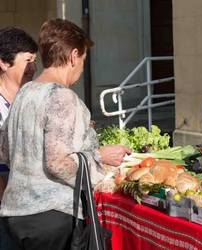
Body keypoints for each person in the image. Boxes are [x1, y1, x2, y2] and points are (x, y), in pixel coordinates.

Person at [0, 18, 131, 250]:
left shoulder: (25, 92)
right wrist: (100, 157)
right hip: (50, 217)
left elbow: (5, 151)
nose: (81, 67)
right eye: (83, 60)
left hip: (15, 215)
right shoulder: (62, 96)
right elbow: (57, 163)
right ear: (73, 56)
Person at [0, 26, 38, 201]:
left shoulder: (35, 97)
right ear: (4, 63)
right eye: (28, 60)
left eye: (35, 61)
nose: (34, 67)